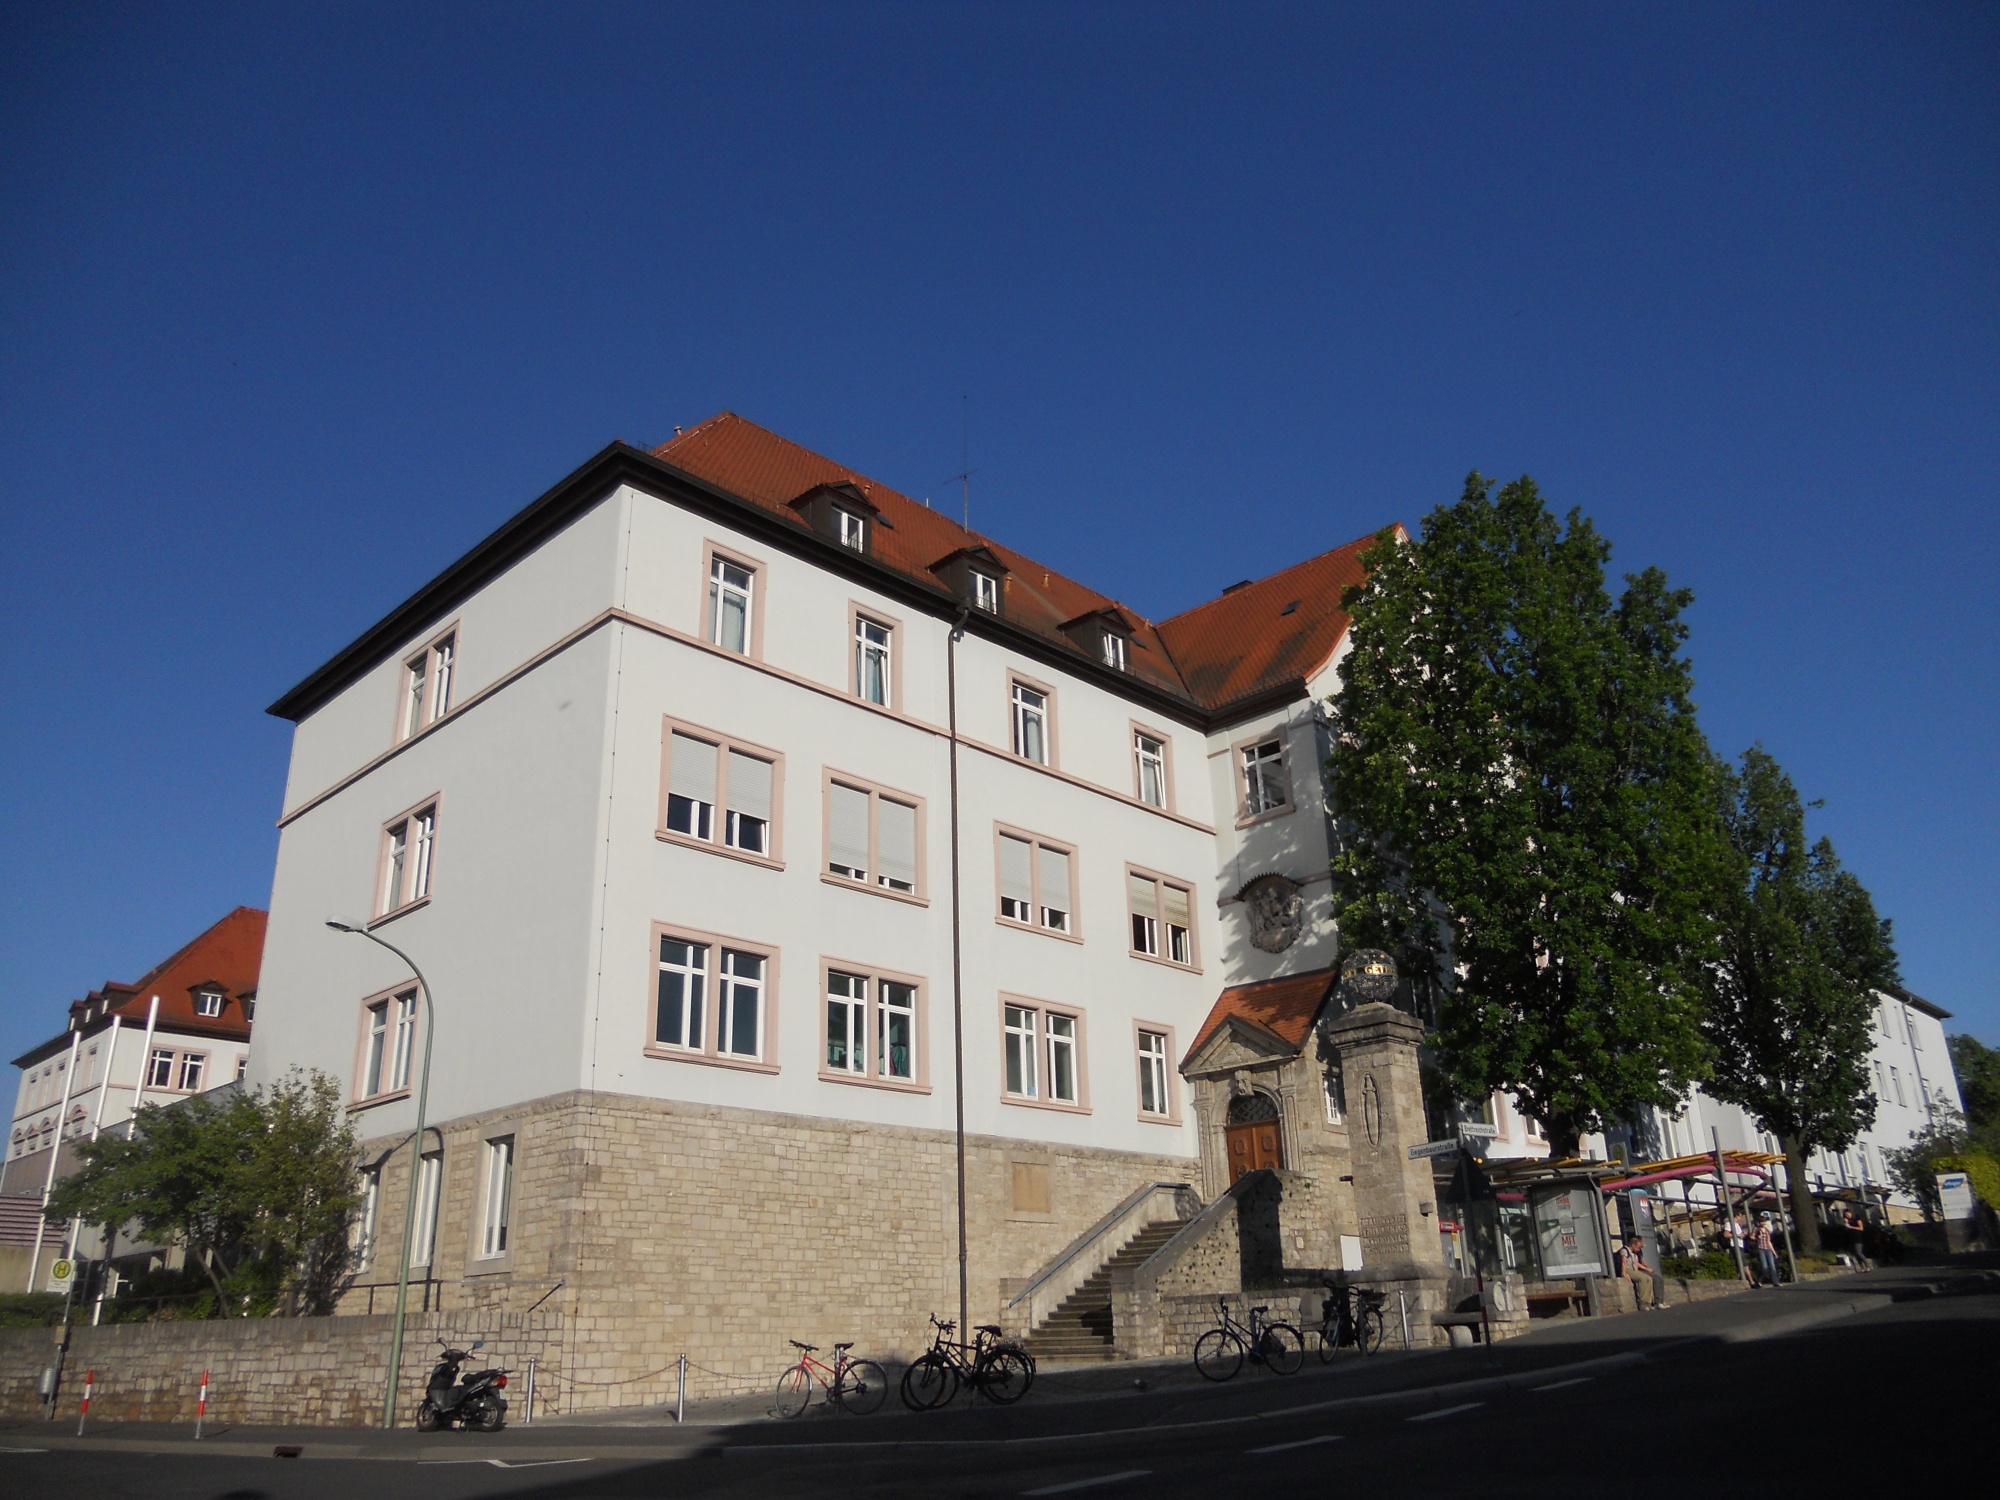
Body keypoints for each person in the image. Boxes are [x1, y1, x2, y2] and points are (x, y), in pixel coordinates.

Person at [1619, 1234, 1658, 1310]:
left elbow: (1636, 1263)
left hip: (1633, 1270)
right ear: (1633, 1245)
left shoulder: (1633, 1253)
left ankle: (1648, 1302)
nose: (1639, 1249)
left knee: (1649, 1279)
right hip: (1628, 1270)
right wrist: (1624, 1273)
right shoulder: (1624, 1250)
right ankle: (1642, 1302)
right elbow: (1624, 1262)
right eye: (1638, 1247)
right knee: (1642, 1279)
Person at [1754, 1214, 1780, 1287]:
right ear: (1759, 1222)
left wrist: (1774, 1252)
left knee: (1772, 1265)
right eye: (1761, 1222)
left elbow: (1769, 1241)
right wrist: (1757, 1237)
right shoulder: (1757, 1230)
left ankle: (1775, 1282)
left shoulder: (1767, 1230)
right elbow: (1753, 1237)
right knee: (1764, 1267)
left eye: (1764, 1221)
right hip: (1761, 1248)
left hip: (1767, 1248)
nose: (1763, 1223)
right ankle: (1759, 1280)